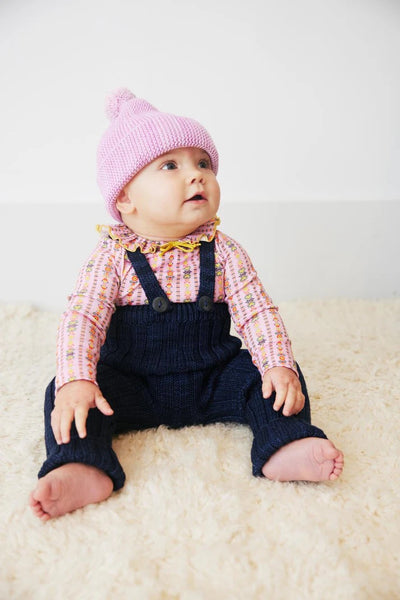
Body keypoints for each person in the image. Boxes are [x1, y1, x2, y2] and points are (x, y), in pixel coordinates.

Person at [30, 88, 344, 521]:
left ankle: (286, 440)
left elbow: (257, 311)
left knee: (272, 376)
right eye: (170, 166)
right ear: (125, 198)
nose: (196, 176)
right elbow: (83, 317)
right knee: (67, 393)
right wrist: (76, 380)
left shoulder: (225, 251)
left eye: (203, 164)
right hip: (132, 384)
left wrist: (276, 364)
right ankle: (82, 463)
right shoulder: (112, 257)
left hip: (213, 377)